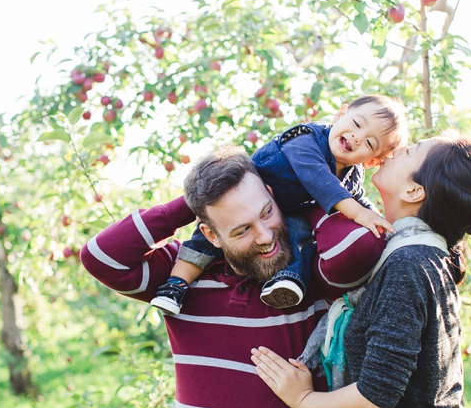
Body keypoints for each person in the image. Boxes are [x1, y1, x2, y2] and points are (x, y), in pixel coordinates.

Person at [81, 146, 388, 408]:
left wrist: (300, 188)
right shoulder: (182, 280)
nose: (264, 236)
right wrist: (194, 202)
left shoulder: (315, 267)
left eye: (267, 213)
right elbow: (100, 256)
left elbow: (361, 245)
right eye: (241, 229)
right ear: (210, 235)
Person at [251, 134, 471, 408]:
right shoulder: (414, 257)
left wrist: (302, 398)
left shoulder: (408, 264)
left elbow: (376, 396)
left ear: (415, 191)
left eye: (413, 150)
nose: (401, 147)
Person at [151, 95, 408, 315]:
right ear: (342, 113)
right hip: (243, 199)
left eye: (370, 143)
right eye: (356, 124)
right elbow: (319, 180)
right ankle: (176, 284)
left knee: (300, 234)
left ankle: (287, 281)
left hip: (281, 212)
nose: (356, 137)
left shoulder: (351, 175)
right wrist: (359, 212)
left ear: (373, 161)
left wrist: (380, 224)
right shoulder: (306, 139)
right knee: (205, 239)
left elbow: (357, 200)